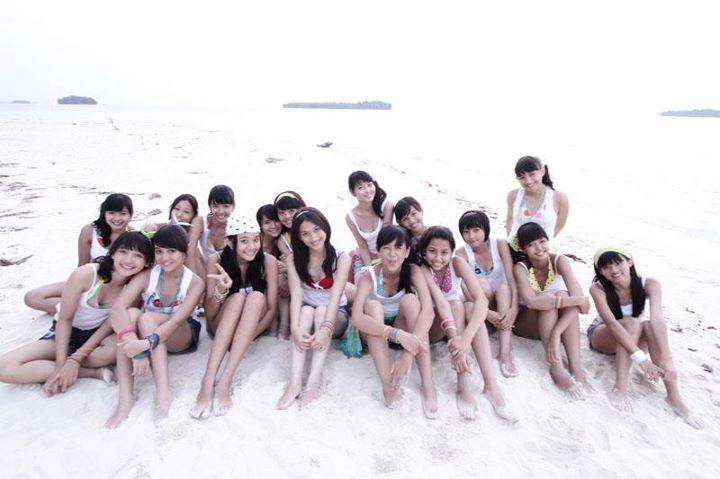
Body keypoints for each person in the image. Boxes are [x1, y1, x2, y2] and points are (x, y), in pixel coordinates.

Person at [0, 231, 153, 394]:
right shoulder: (86, 274)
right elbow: (65, 320)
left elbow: (108, 325)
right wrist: (60, 366)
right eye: (123, 251)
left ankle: (70, 365)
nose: (128, 260)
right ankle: (89, 373)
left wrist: (77, 357)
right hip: (66, 332)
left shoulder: (133, 288)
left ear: (146, 262)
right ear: (112, 253)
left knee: (114, 350)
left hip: (96, 338)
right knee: (4, 368)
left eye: (138, 256)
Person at [587, 248, 701, 428]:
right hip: (603, 336)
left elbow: (657, 320)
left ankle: (673, 396)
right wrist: (642, 359)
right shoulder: (598, 288)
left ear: (630, 261)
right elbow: (612, 324)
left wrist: (668, 360)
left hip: (633, 339)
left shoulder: (650, 284)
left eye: (618, 263)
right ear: (600, 271)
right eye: (606, 267)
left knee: (648, 325)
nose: (613, 270)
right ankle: (621, 386)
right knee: (632, 323)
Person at [105, 225, 204, 428]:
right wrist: (135, 349)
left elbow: (176, 321)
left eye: (171, 251)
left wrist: (143, 345)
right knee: (130, 315)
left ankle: (163, 392)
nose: (164, 258)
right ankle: (125, 398)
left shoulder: (195, 282)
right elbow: (118, 308)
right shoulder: (147, 276)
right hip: (148, 335)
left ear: (184, 252)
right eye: (159, 251)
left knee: (146, 319)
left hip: (181, 335)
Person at [418, 226, 514, 421]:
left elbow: (481, 300)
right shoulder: (422, 270)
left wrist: (465, 341)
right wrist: (460, 344)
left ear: (451, 251)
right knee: (456, 305)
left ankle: (490, 384)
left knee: (470, 306)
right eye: (432, 251)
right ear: (424, 251)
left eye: (444, 252)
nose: (438, 258)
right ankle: (463, 385)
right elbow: (441, 303)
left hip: (457, 326)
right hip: (434, 326)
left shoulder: (457, 263)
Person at [191, 216, 279, 418]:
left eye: (255, 240)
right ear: (231, 241)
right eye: (244, 241)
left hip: (251, 328)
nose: (252, 247)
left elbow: (271, 309)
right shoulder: (216, 260)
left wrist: (245, 337)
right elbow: (210, 313)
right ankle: (207, 380)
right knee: (238, 297)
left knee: (257, 297)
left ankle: (225, 381)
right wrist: (221, 291)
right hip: (221, 325)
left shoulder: (268, 261)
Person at [350, 225, 434, 414]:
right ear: (378, 251)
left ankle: (428, 385)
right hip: (374, 334)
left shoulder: (413, 271)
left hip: (401, 332)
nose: (392, 254)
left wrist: (408, 354)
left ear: (407, 252)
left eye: (398, 248)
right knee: (373, 306)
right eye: (386, 248)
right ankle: (388, 386)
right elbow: (356, 318)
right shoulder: (369, 275)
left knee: (411, 301)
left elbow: (428, 311)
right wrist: (396, 334)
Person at [276, 207, 351, 409]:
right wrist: (294, 329)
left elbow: (335, 298)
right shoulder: (294, 259)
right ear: (298, 237)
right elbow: (296, 295)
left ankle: (313, 381)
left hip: (335, 315)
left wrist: (326, 328)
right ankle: (295, 383)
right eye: (305, 234)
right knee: (308, 310)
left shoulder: (341, 258)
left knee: (320, 311)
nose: (313, 237)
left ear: (325, 227)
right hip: (306, 312)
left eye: (317, 230)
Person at [511, 222, 591, 399]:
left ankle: (575, 367)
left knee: (562, 295)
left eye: (542, 241)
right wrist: (576, 300)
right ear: (523, 249)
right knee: (548, 301)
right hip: (527, 324)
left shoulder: (559, 261)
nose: (539, 248)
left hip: (552, 327)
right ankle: (556, 367)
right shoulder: (520, 268)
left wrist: (556, 333)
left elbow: (580, 306)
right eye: (531, 245)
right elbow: (532, 302)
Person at [24, 193, 134, 315]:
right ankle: (78, 310)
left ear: (130, 215)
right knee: (32, 297)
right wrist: (75, 292)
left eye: (123, 213)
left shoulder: (132, 237)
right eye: (112, 212)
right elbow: (82, 265)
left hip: (114, 290)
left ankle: (81, 311)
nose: (117, 218)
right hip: (89, 281)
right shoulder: (90, 231)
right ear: (104, 213)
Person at [455, 210, 519, 377]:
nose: (471, 236)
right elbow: (465, 290)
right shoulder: (461, 254)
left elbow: (511, 279)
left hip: (504, 306)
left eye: (476, 230)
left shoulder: (500, 244)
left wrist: (514, 308)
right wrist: (488, 313)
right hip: (484, 311)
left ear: (485, 229)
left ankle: (504, 352)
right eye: (466, 231)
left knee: (504, 287)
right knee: (480, 284)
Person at [505, 156, 569, 246]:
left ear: (542, 171)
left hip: (542, 250)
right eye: (522, 177)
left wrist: (543, 242)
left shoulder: (559, 198)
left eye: (532, 174)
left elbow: (560, 225)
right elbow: (509, 219)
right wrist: (510, 240)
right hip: (516, 247)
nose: (528, 181)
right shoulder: (513, 195)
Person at [346, 171, 394, 282]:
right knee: (364, 280)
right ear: (353, 192)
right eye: (361, 187)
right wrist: (370, 269)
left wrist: (382, 263)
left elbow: (386, 239)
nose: (368, 190)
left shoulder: (386, 206)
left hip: (388, 253)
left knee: (384, 283)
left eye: (369, 184)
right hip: (366, 256)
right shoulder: (350, 217)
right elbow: (362, 245)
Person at [187, 185, 235, 277]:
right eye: (215, 206)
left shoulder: (235, 225)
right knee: (193, 249)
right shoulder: (201, 221)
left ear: (233, 207)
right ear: (210, 206)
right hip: (202, 270)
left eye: (226, 206)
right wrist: (193, 278)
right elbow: (190, 250)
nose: (221, 211)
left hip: (227, 272)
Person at [257, 204, 289, 338]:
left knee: (281, 277)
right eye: (267, 222)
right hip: (258, 289)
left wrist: (286, 268)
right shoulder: (255, 243)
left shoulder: (282, 242)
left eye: (276, 221)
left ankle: (284, 326)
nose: (273, 226)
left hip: (281, 290)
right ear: (260, 225)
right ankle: (273, 324)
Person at [393, 196, 426, 265]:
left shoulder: (435, 234)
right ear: (400, 223)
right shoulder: (404, 241)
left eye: (413, 214)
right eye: (405, 219)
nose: (411, 221)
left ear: (421, 210)